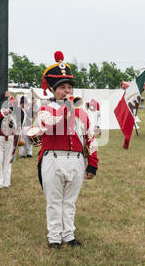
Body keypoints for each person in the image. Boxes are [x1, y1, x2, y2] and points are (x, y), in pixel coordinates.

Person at [36, 51, 99, 249]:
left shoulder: (83, 113)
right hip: (53, 159)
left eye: (69, 86)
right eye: (62, 87)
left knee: (70, 202)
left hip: (77, 161)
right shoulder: (45, 110)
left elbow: (90, 138)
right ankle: (54, 237)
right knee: (54, 202)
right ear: (54, 91)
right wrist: (66, 110)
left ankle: (68, 235)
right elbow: (48, 126)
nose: (66, 90)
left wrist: (93, 164)